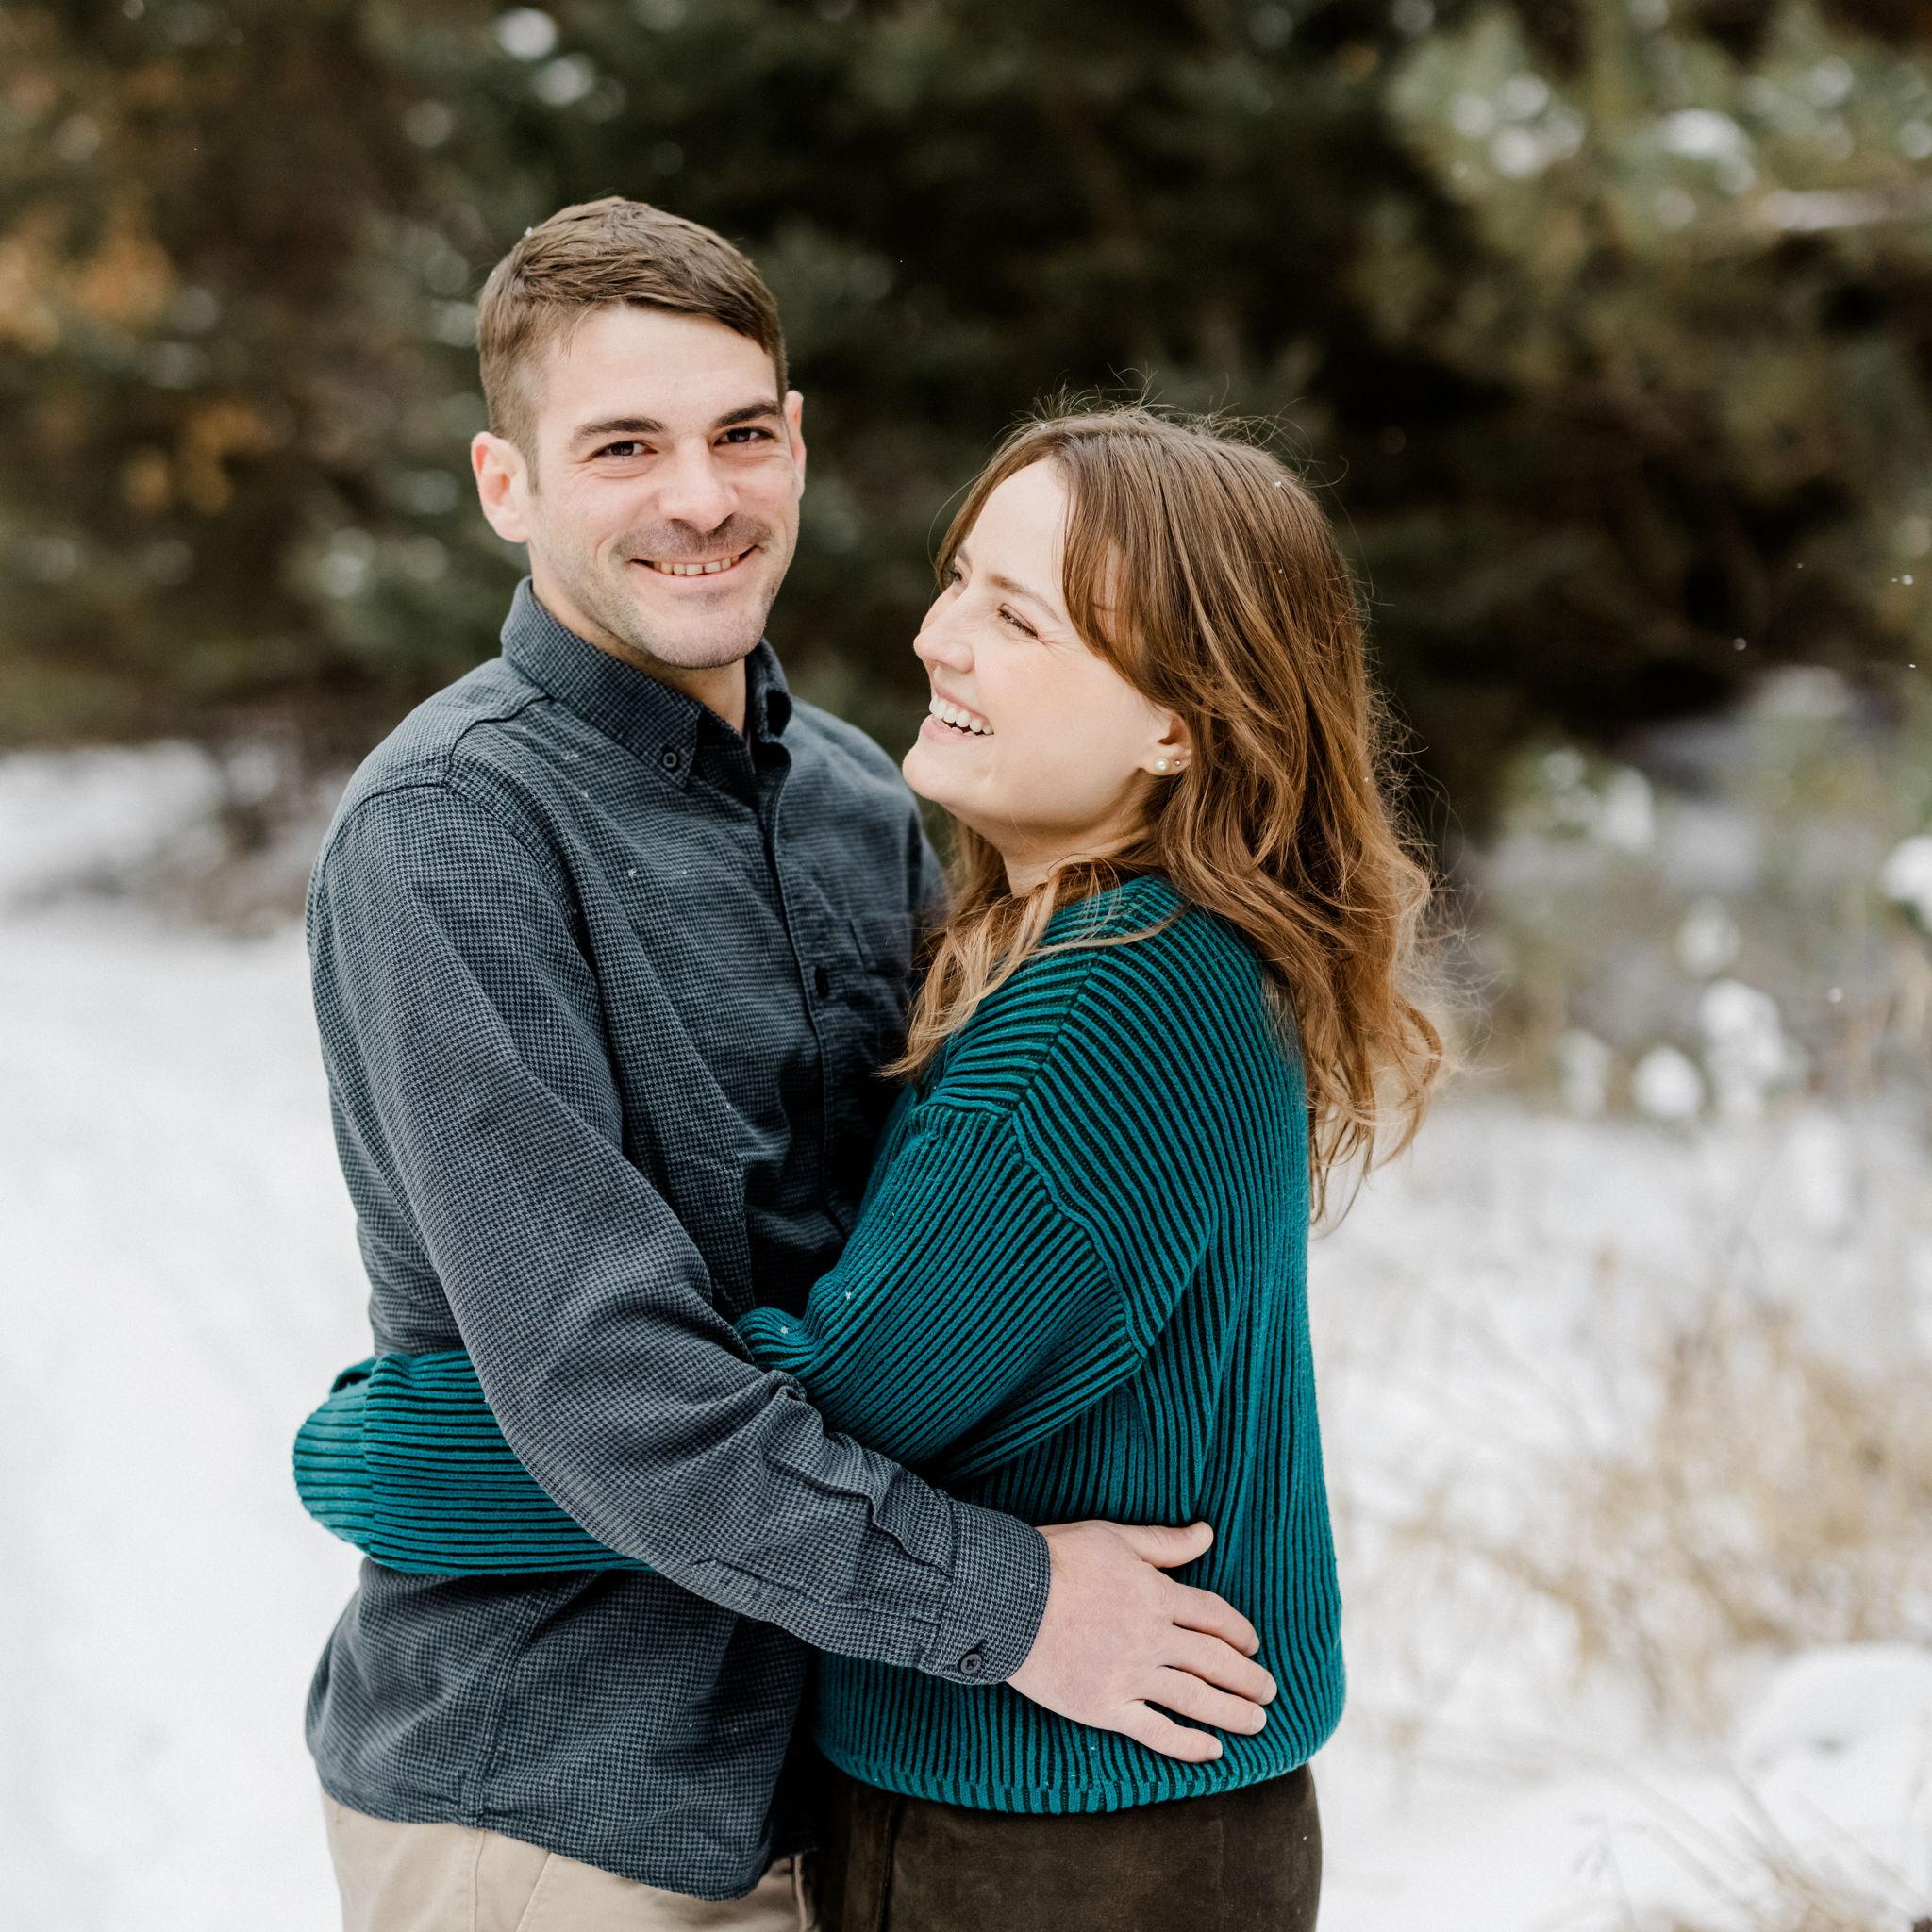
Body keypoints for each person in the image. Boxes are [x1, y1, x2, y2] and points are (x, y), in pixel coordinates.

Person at [297, 389, 1453, 1926]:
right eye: (960, 581)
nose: (938, 637)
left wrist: (391, 1458)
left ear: (1180, 722)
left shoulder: (1111, 1008)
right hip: (1027, 1806)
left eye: (1018, 619)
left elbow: (809, 1419)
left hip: (1063, 1839)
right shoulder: (1079, 950)